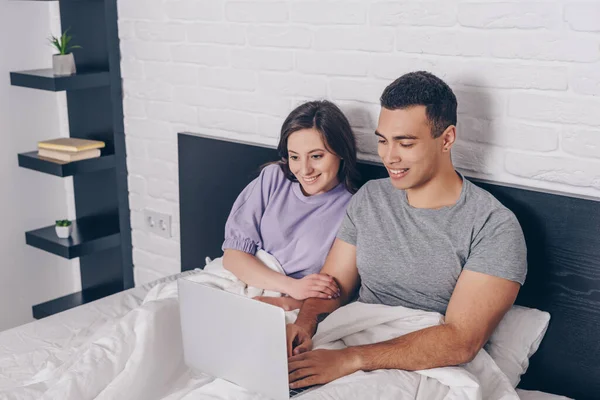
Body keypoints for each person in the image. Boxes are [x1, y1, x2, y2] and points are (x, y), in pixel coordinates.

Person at [286, 71, 528, 389]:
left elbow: (461, 340)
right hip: (351, 338)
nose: (389, 156)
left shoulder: (493, 226)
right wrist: (305, 321)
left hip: (423, 366)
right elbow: (335, 287)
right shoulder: (371, 197)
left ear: (447, 138)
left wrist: (351, 360)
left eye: (405, 142)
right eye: (383, 140)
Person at [222, 100, 360, 311]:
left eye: (316, 156)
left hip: (297, 305)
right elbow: (232, 256)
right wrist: (291, 286)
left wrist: (287, 301)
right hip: (243, 280)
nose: (304, 170)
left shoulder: (354, 207)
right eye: (294, 157)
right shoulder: (273, 178)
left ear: (341, 151)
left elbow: (335, 291)